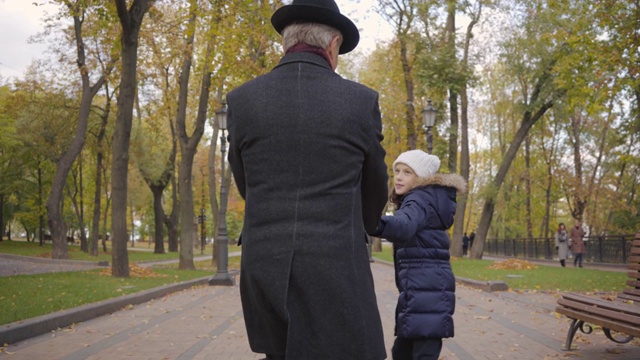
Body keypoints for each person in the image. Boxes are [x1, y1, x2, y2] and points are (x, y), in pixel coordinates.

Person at [225, 1, 389, 359]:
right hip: (337, 265)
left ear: (286, 43)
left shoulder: (242, 101)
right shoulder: (360, 102)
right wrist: (368, 223)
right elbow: (375, 184)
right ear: (332, 46)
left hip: (265, 264)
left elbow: (245, 184)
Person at [371, 150, 466, 360]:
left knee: (419, 353)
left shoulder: (420, 200)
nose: (399, 176)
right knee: (403, 352)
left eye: (407, 172)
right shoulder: (424, 199)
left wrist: (373, 222)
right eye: (397, 171)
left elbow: (403, 226)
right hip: (421, 292)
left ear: (421, 178)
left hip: (427, 294)